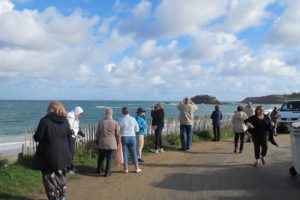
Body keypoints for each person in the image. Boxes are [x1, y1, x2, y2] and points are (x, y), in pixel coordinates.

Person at [33, 101, 72, 200]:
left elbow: (37, 137)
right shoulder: (65, 121)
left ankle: (54, 198)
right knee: (61, 177)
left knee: (49, 179)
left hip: (48, 155)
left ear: (50, 109)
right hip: (63, 154)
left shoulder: (45, 121)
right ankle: (62, 197)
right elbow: (68, 134)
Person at [95, 108, 120, 177]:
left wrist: (97, 141)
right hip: (112, 143)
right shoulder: (115, 122)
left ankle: (99, 170)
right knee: (109, 158)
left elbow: (97, 133)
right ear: (112, 113)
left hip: (102, 142)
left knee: (101, 157)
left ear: (105, 113)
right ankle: (107, 172)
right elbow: (117, 134)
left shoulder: (101, 122)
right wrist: (118, 142)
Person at [118, 107, 142, 173]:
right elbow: (137, 129)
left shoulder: (120, 119)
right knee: (134, 153)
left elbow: (118, 130)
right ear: (129, 112)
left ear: (122, 112)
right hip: (132, 137)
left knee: (124, 153)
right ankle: (136, 168)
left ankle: (125, 169)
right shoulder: (133, 119)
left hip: (123, 137)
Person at [66, 106, 84, 175]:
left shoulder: (74, 116)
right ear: (77, 112)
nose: (80, 116)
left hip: (73, 136)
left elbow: (75, 127)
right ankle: (67, 169)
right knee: (69, 153)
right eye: (80, 114)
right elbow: (70, 128)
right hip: (69, 136)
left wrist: (79, 131)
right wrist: (76, 132)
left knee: (71, 152)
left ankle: (70, 167)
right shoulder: (70, 116)